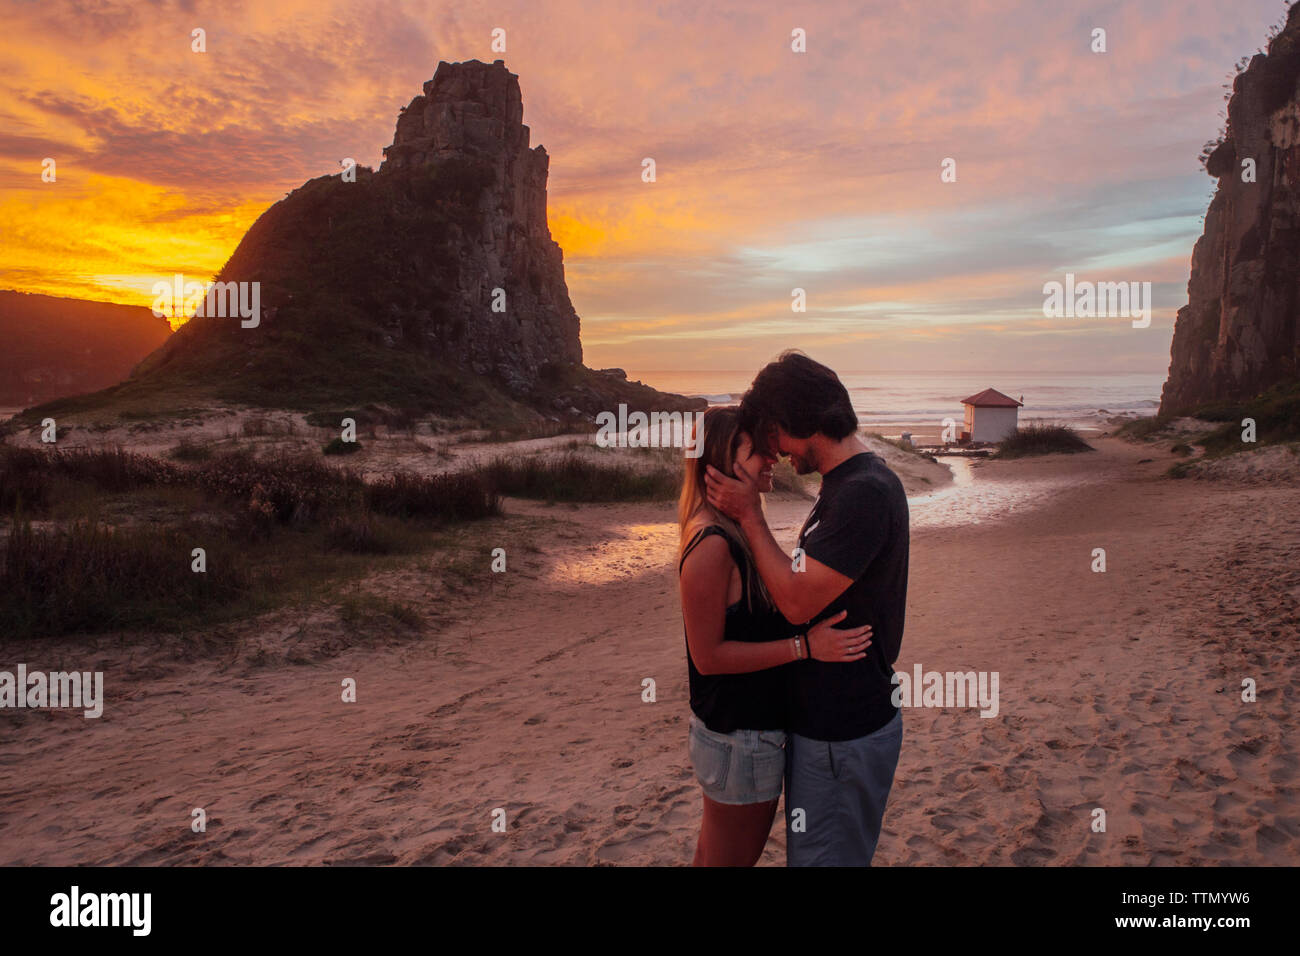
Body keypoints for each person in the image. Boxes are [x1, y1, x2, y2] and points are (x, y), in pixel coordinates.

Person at [704, 352, 909, 866]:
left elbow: (796, 600)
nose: (775, 454)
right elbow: (800, 584)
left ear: (801, 421)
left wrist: (750, 516)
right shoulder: (846, 486)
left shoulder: (864, 494)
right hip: (830, 731)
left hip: (844, 730)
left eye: (773, 436)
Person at [678, 405, 873, 866]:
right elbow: (708, 657)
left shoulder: (737, 531)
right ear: (722, 460)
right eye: (756, 450)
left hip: (743, 736)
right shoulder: (712, 545)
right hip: (738, 739)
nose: (772, 457)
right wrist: (804, 648)